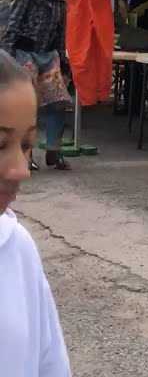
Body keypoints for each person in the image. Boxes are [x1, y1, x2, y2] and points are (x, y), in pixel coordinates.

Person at [0, 48, 72, 376]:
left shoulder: (16, 248)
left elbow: (49, 364)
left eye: (27, 144)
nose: (20, 169)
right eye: (0, 145)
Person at [2, 0, 76, 172]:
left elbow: (61, 32)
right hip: (25, 54)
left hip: (48, 55)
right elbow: (12, 26)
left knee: (58, 101)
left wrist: (62, 59)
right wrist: (6, 59)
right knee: (28, 105)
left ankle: (54, 151)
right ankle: (24, 155)